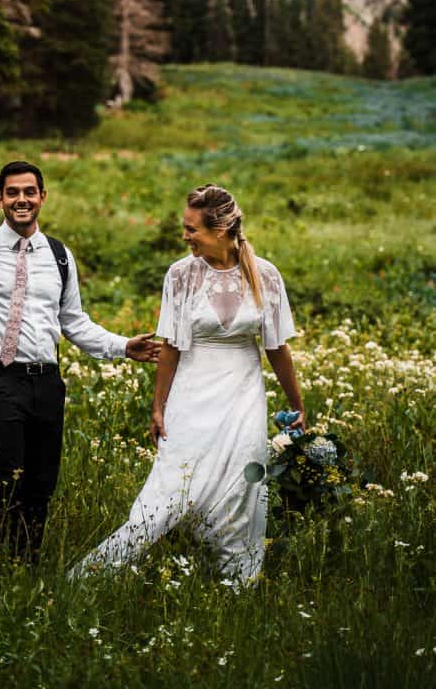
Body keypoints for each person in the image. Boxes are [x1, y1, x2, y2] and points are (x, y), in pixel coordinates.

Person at [71, 183, 305, 586]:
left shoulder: (264, 275)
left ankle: (237, 581)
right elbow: (172, 347)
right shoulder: (181, 274)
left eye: (192, 229)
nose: (185, 237)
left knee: (241, 486)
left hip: (243, 395)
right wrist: (158, 406)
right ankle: (98, 574)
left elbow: (277, 347)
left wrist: (297, 404)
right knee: (170, 486)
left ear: (221, 229)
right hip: (191, 394)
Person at [0, 160, 160, 561]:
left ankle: (25, 565)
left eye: (29, 192)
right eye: (13, 193)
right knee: (3, 478)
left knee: (40, 483)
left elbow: (74, 321)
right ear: (0, 198)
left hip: (46, 384)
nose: (22, 200)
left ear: (42, 196)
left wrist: (124, 346)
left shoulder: (59, 255)